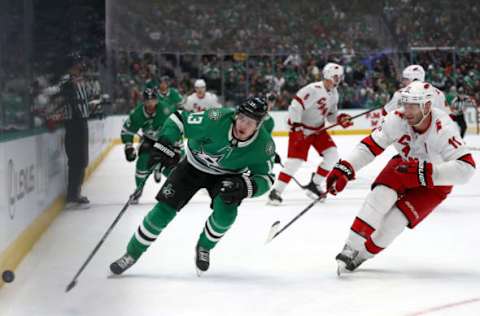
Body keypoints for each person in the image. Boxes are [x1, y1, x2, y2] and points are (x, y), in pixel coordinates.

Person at [110, 97, 276, 276]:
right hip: (192, 166)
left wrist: (245, 186)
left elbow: (266, 178)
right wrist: (166, 141)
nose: (243, 125)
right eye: (242, 118)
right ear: (236, 115)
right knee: (162, 211)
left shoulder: (264, 146)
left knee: (226, 215)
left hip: (227, 177)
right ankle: (132, 253)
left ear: (259, 126)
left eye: (250, 122)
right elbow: (178, 119)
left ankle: (204, 247)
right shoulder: (215, 118)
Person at [326, 81, 476, 275]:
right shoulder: (396, 119)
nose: (407, 110)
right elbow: (370, 146)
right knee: (379, 197)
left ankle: (362, 255)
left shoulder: (443, 128)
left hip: (435, 183)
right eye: (405, 104)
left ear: (428, 106)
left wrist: (427, 172)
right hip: (404, 167)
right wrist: (346, 166)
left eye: (413, 105)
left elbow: (466, 168)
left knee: (394, 223)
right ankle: (351, 247)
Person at [267, 63, 353, 205]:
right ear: (327, 75)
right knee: (295, 161)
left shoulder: (334, 94)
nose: (338, 79)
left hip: (318, 129)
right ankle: (275, 192)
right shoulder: (314, 89)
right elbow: (295, 106)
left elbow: (331, 117)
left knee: (332, 155)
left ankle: (315, 184)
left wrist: (340, 119)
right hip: (301, 128)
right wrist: (296, 126)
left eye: (340, 76)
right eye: (335, 76)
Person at [120, 88, 181, 204]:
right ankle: (138, 190)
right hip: (150, 141)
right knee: (142, 162)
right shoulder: (136, 114)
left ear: (157, 100)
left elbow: (177, 127)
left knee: (172, 165)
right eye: (148, 101)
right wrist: (128, 147)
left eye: (153, 100)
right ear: (143, 101)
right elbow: (127, 130)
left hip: (166, 142)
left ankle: (174, 189)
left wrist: (178, 147)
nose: (150, 103)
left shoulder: (166, 109)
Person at [61, 53, 91, 209]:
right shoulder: (67, 80)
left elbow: (86, 97)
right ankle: (72, 194)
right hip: (73, 123)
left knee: (83, 160)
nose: (82, 66)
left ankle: (76, 192)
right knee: (75, 160)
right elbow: (65, 94)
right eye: (79, 64)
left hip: (82, 122)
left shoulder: (81, 81)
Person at [383, 65, 448, 114]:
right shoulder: (439, 93)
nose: (403, 82)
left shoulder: (401, 93)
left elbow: (385, 113)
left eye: (406, 79)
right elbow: (447, 116)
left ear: (414, 79)